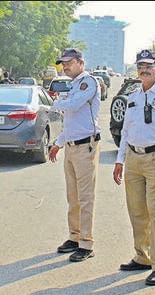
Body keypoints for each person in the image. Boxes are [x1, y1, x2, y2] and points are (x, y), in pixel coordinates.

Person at [112, 49, 155, 285]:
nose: (144, 69)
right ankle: (143, 257)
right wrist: (120, 160)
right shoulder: (133, 95)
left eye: (149, 66)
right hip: (133, 158)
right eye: (140, 66)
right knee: (136, 211)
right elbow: (125, 131)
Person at [49, 48, 102, 262]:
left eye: (69, 62)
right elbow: (71, 121)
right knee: (73, 197)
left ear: (80, 62)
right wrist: (58, 143)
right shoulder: (73, 85)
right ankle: (75, 236)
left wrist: (51, 102)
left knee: (85, 197)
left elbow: (73, 105)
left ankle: (86, 243)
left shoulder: (87, 82)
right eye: (63, 63)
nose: (65, 67)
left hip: (85, 147)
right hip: (71, 146)